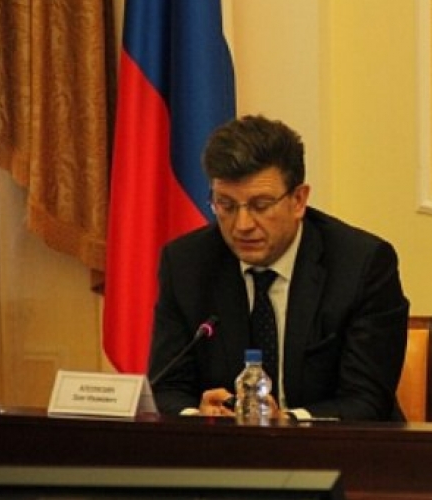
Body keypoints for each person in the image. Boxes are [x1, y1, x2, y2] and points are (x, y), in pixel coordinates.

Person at [147, 115, 410, 421]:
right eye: (226, 205)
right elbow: (166, 387)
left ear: (298, 200)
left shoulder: (361, 265)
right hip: (222, 448)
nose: (242, 225)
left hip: (330, 446)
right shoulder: (186, 264)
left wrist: (287, 420)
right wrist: (198, 415)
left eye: (260, 206)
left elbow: (367, 401)